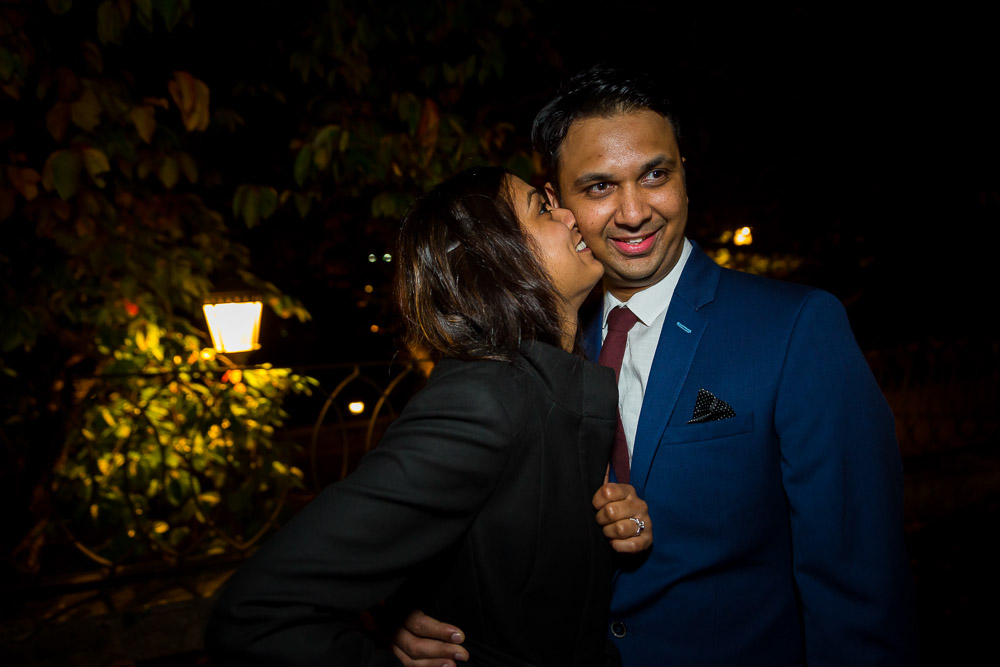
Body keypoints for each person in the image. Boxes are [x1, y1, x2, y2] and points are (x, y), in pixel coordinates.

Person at [393, 66, 917, 666]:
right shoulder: (531, 349)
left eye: (655, 175)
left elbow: (858, 581)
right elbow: (465, 521)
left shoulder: (796, 328)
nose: (634, 211)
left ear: (684, 175)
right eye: (598, 188)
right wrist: (417, 609)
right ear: (557, 204)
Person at [206, 166, 653, 667]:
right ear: (493, 258)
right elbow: (256, 614)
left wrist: (616, 526)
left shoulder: (551, 384)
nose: (570, 214)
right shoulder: (481, 401)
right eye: (542, 208)